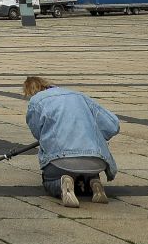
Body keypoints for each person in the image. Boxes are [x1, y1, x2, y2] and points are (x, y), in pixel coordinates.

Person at [22, 76, 120, 206]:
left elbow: (38, 133)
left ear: (29, 92)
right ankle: (94, 182)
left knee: (49, 180)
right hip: (96, 160)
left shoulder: (36, 101)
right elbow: (113, 125)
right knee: (88, 171)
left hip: (61, 159)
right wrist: (92, 133)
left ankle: (62, 183)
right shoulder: (79, 96)